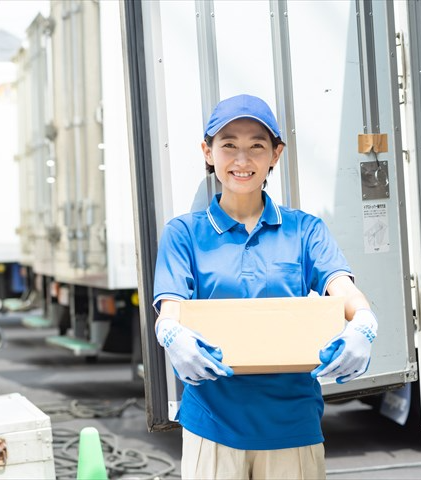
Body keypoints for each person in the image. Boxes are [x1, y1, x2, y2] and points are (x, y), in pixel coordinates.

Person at [152, 94, 378, 479]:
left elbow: (344, 291)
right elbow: (170, 307)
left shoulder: (305, 230)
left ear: (276, 154)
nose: (242, 160)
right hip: (213, 423)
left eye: (257, 146)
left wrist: (365, 324)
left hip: (292, 423)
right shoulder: (184, 234)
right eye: (228, 146)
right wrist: (170, 334)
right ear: (208, 152)